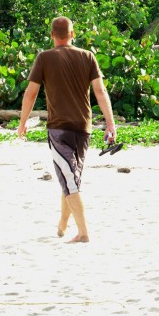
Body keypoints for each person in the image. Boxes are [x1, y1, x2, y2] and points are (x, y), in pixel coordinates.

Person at [18, 16, 116, 243]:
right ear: (73, 34)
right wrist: (110, 123)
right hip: (84, 128)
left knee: (70, 178)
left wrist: (22, 123)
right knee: (71, 176)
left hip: (59, 129)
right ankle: (63, 223)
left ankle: (83, 233)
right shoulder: (87, 56)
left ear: (52, 35)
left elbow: (30, 94)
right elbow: (101, 92)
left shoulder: (44, 58)